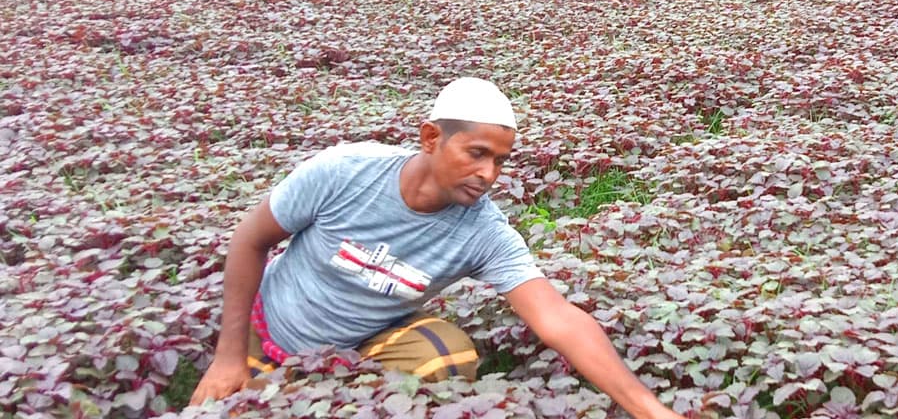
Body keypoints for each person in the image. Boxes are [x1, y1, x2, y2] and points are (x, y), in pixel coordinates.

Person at [190, 77, 687, 419]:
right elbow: (249, 242)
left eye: (501, 160)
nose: (489, 174)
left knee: (444, 356)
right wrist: (228, 355)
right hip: (266, 327)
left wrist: (646, 408)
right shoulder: (343, 172)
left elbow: (558, 317)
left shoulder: (483, 231)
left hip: (357, 350)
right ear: (431, 138)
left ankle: (324, 394)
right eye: (476, 154)